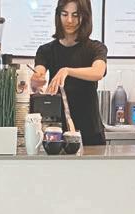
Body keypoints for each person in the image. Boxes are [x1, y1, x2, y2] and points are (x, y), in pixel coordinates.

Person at [31, 0, 108, 145]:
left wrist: (67, 70)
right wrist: (36, 80)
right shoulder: (46, 50)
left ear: (85, 16)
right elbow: (38, 74)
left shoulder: (95, 48)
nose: (70, 20)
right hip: (57, 131)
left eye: (75, 15)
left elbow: (98, 72)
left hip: (90, 131)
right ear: (58, 15)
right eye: (64, 14)